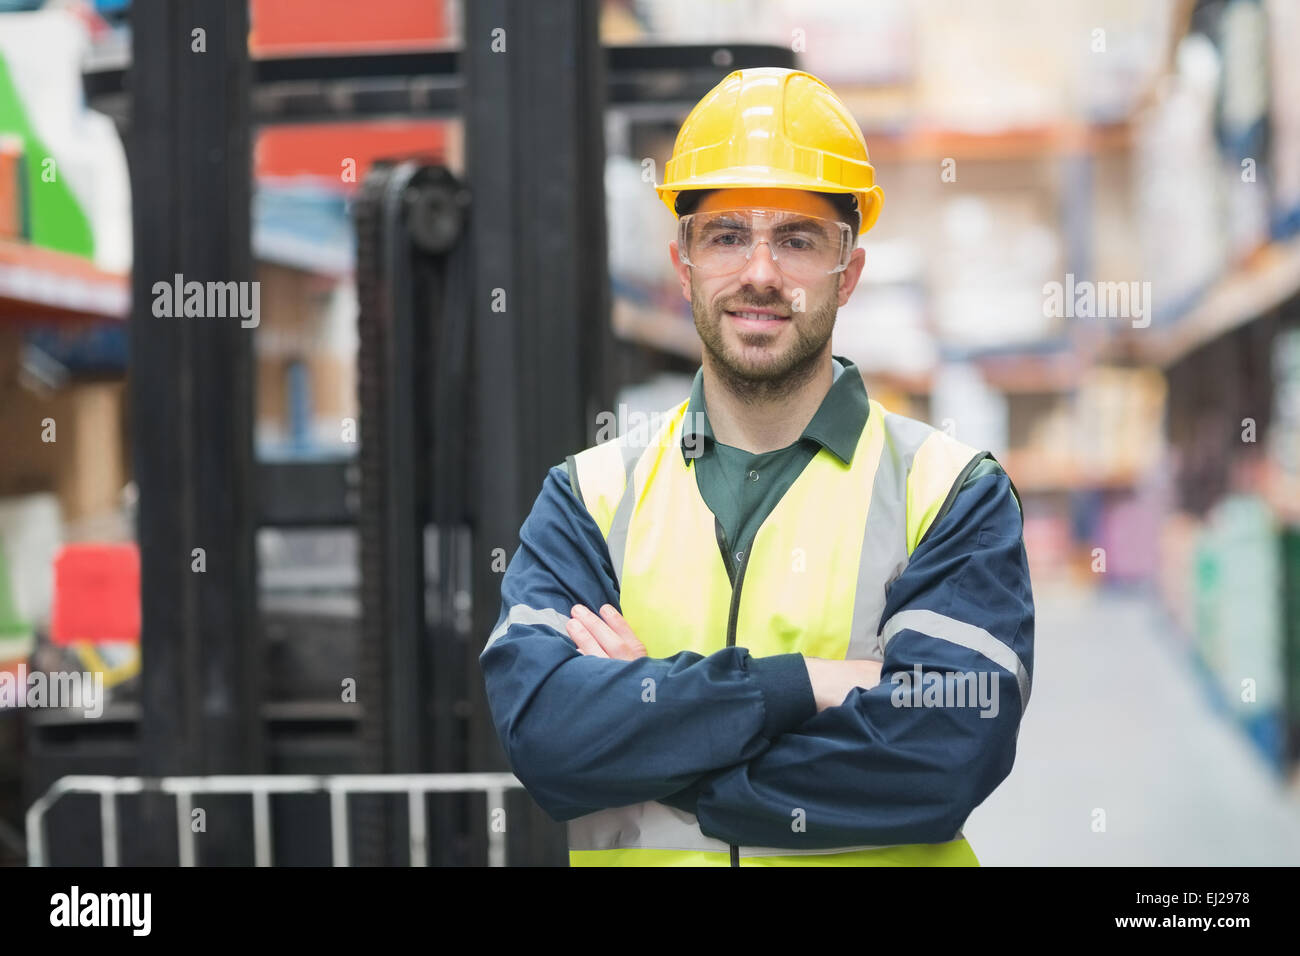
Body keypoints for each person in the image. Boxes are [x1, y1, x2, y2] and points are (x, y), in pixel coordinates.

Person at [480, 67, 1034, 866]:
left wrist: (657, 746)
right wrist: (806, 684)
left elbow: (943, 754)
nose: (761, 273)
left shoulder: (948, 493)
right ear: (684, 265)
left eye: (798, 239)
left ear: (849, 271)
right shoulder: (589, 497)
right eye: (728, 235)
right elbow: (543, 733)